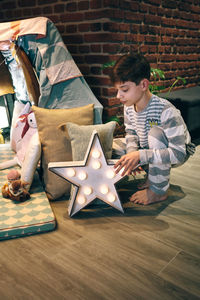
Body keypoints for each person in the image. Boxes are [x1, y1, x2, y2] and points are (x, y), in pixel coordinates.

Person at [110, 53, 195, 205]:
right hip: (149, 145)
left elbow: (179, 154)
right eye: (117, 90)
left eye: (124, 89)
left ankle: (158, 191)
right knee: (115, 145)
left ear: (143, 85)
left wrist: (141, 156)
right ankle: (152, 177)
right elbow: (131, 134)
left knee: (155, 134)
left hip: (176, 150)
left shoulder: (166, 110)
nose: (118, 96)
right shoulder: (128, 107)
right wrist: (132, 157)